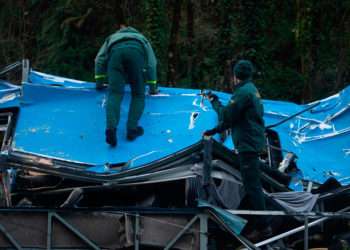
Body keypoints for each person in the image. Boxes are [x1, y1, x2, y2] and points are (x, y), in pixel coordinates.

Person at [203, 60, 271, 239]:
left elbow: (227, 115)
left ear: (236, 76)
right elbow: (232, 119)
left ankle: (263, 227)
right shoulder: (252, 90)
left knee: (252, 185)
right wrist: (215, 130)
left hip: (247, 145)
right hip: (251, 142)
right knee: (250, 183)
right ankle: (254, 223)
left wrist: (214, 102)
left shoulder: (242, 93)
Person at [94, 23, 158, 147]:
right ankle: (132, 130)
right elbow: (151, 64)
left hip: (115, 55)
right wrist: (152, 88)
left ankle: (111, 130)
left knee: (115, 93)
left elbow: (99, 60)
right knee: (138, 94)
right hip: (136, 53)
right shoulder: (142, 39)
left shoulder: (111, 38)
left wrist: (99, 83)